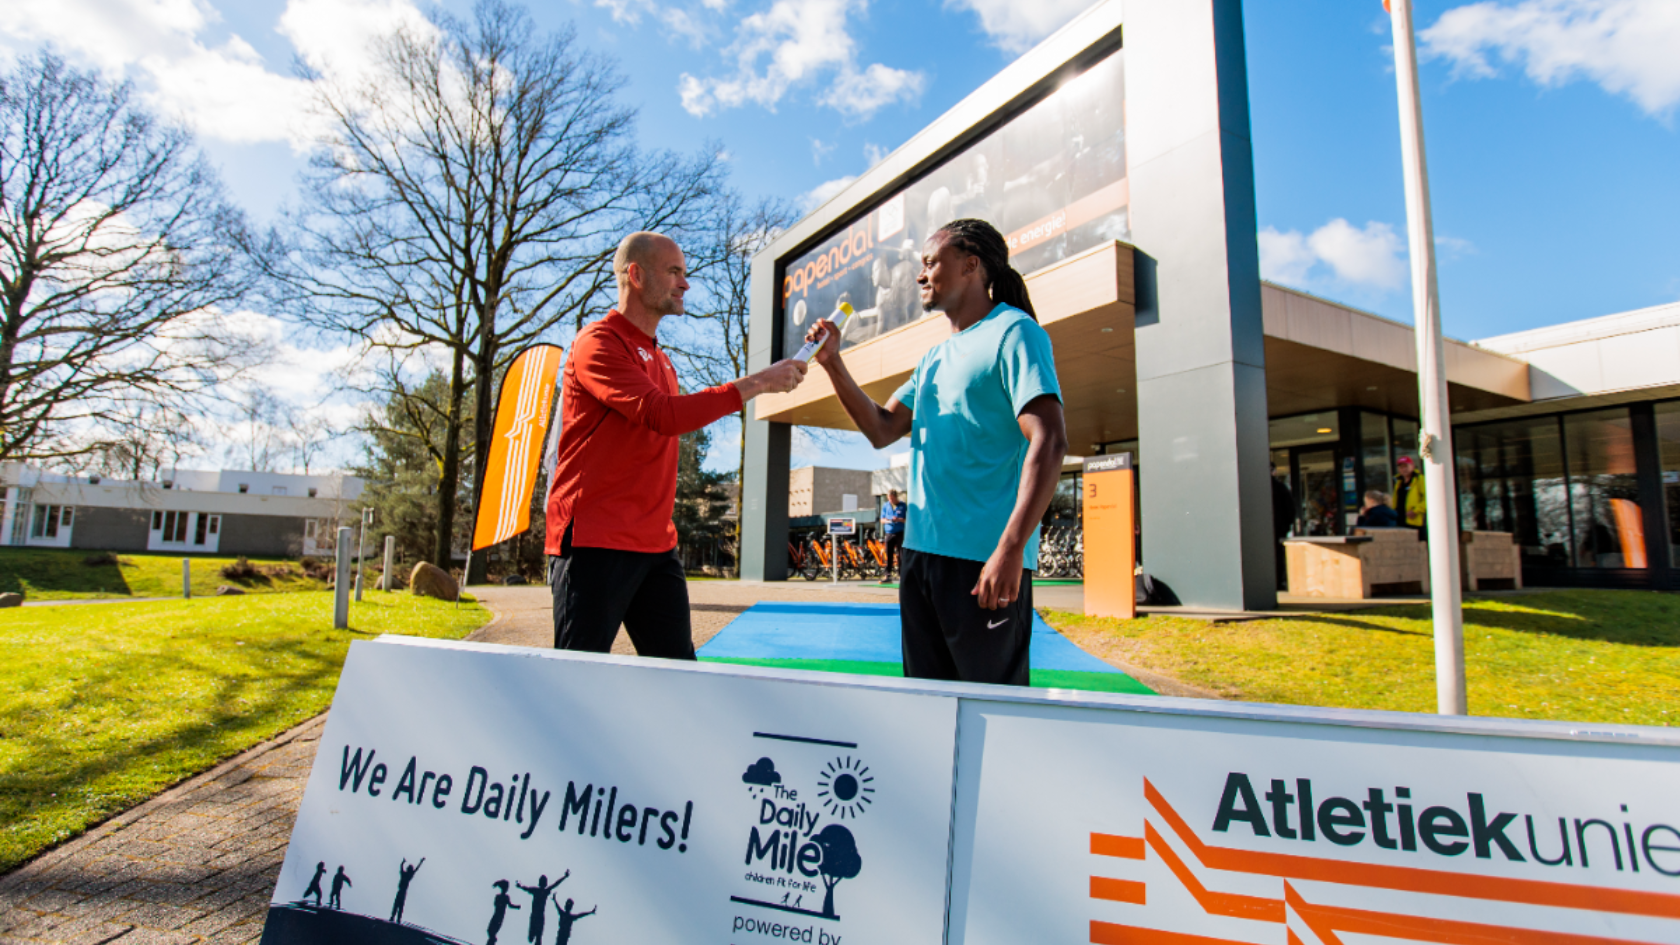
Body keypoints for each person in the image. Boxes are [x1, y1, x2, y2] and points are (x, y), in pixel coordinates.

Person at [806, 218, 1067, 686]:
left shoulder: (1015, 332)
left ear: (971, 265)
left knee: (993, 711)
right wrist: (833, 362)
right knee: (927, 706)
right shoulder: (932, 359)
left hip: (984, 560)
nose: (921, 275)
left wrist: (1009, 549)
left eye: (930, 263)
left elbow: (1049, 440)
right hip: (920, 557)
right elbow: (882, 429)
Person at [546, 232, 808, 656]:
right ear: (635, 275)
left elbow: (671, 418)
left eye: (684, 273)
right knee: (575, 681)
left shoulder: (662, 359)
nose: (685, 283)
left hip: (655, 545)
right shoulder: (596, 342)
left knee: (680, 676)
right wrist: (760, 381)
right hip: (595, 542)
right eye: (674, 272)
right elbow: (662, 414)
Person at [516, 872, 568, 945]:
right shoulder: (538, 890)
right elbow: (555, 884)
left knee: (537, 938)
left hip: (538, 916)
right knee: (532, 938)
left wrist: (564, 877)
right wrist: (520, 886)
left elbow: (556, 883)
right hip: (536, 916)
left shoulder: (541, 891)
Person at [1270, 462, 1295, 591]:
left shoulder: (1256, 489)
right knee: (1278, 556)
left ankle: (1275, 581)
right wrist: (1286, 526)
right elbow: (1290, 510)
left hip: (1270, 528)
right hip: (1278, 528)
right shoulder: (1281, 488)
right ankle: (1278, 581)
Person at [1394, 456, 1427, 538]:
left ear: (1412, 466)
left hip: (1416, 521)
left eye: (1406, 466)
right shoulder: (1399, 481)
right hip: (1400, 520)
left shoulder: (1420, 479)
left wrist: (1416, 510)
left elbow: (1429, 499)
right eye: (1401, 467)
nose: (1403, 469)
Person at [880, 489, 906, 581]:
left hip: (899, 532)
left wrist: (898, 519)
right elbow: (882, 520)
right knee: (889, 554)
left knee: (901, 554)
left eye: (892, 498)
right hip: (889, 533)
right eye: (889, 498)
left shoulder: (902, 505)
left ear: (896, 497)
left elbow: (906, 519)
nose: (891, 500)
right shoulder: (886, 506)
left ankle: (902, 574)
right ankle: (887, 575)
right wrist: (888, 520)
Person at [486, 880, 522, 945]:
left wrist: (517, 907)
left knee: (491, 931)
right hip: (497, 916)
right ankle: (492, 941)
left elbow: (509, 905)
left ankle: (492, 941)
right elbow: (497, 904)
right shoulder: (501, 897)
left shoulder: (504, 897)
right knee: (490, 931)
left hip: (499, 916)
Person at [390, 857, 424, 923]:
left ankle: (394, 917)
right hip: (402, 892)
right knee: (399, 906)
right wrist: (421, 862)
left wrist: (402, 863)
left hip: (401, 892)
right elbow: (416, 869)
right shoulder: (408, 875)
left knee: (397, 905)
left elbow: (402, 868)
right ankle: (396, 918)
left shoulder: (406, 875)